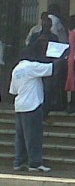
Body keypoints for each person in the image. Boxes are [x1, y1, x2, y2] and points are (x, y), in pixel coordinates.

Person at [10, 39, 67, 172]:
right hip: (32, 105)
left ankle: (19, 162)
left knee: (21, 137)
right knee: (33, 136)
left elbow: (13, 90)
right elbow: (52, 68)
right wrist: (63, 55)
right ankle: (35, 163)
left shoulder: (16, 69)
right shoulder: (31, 66)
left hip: (19, 106)